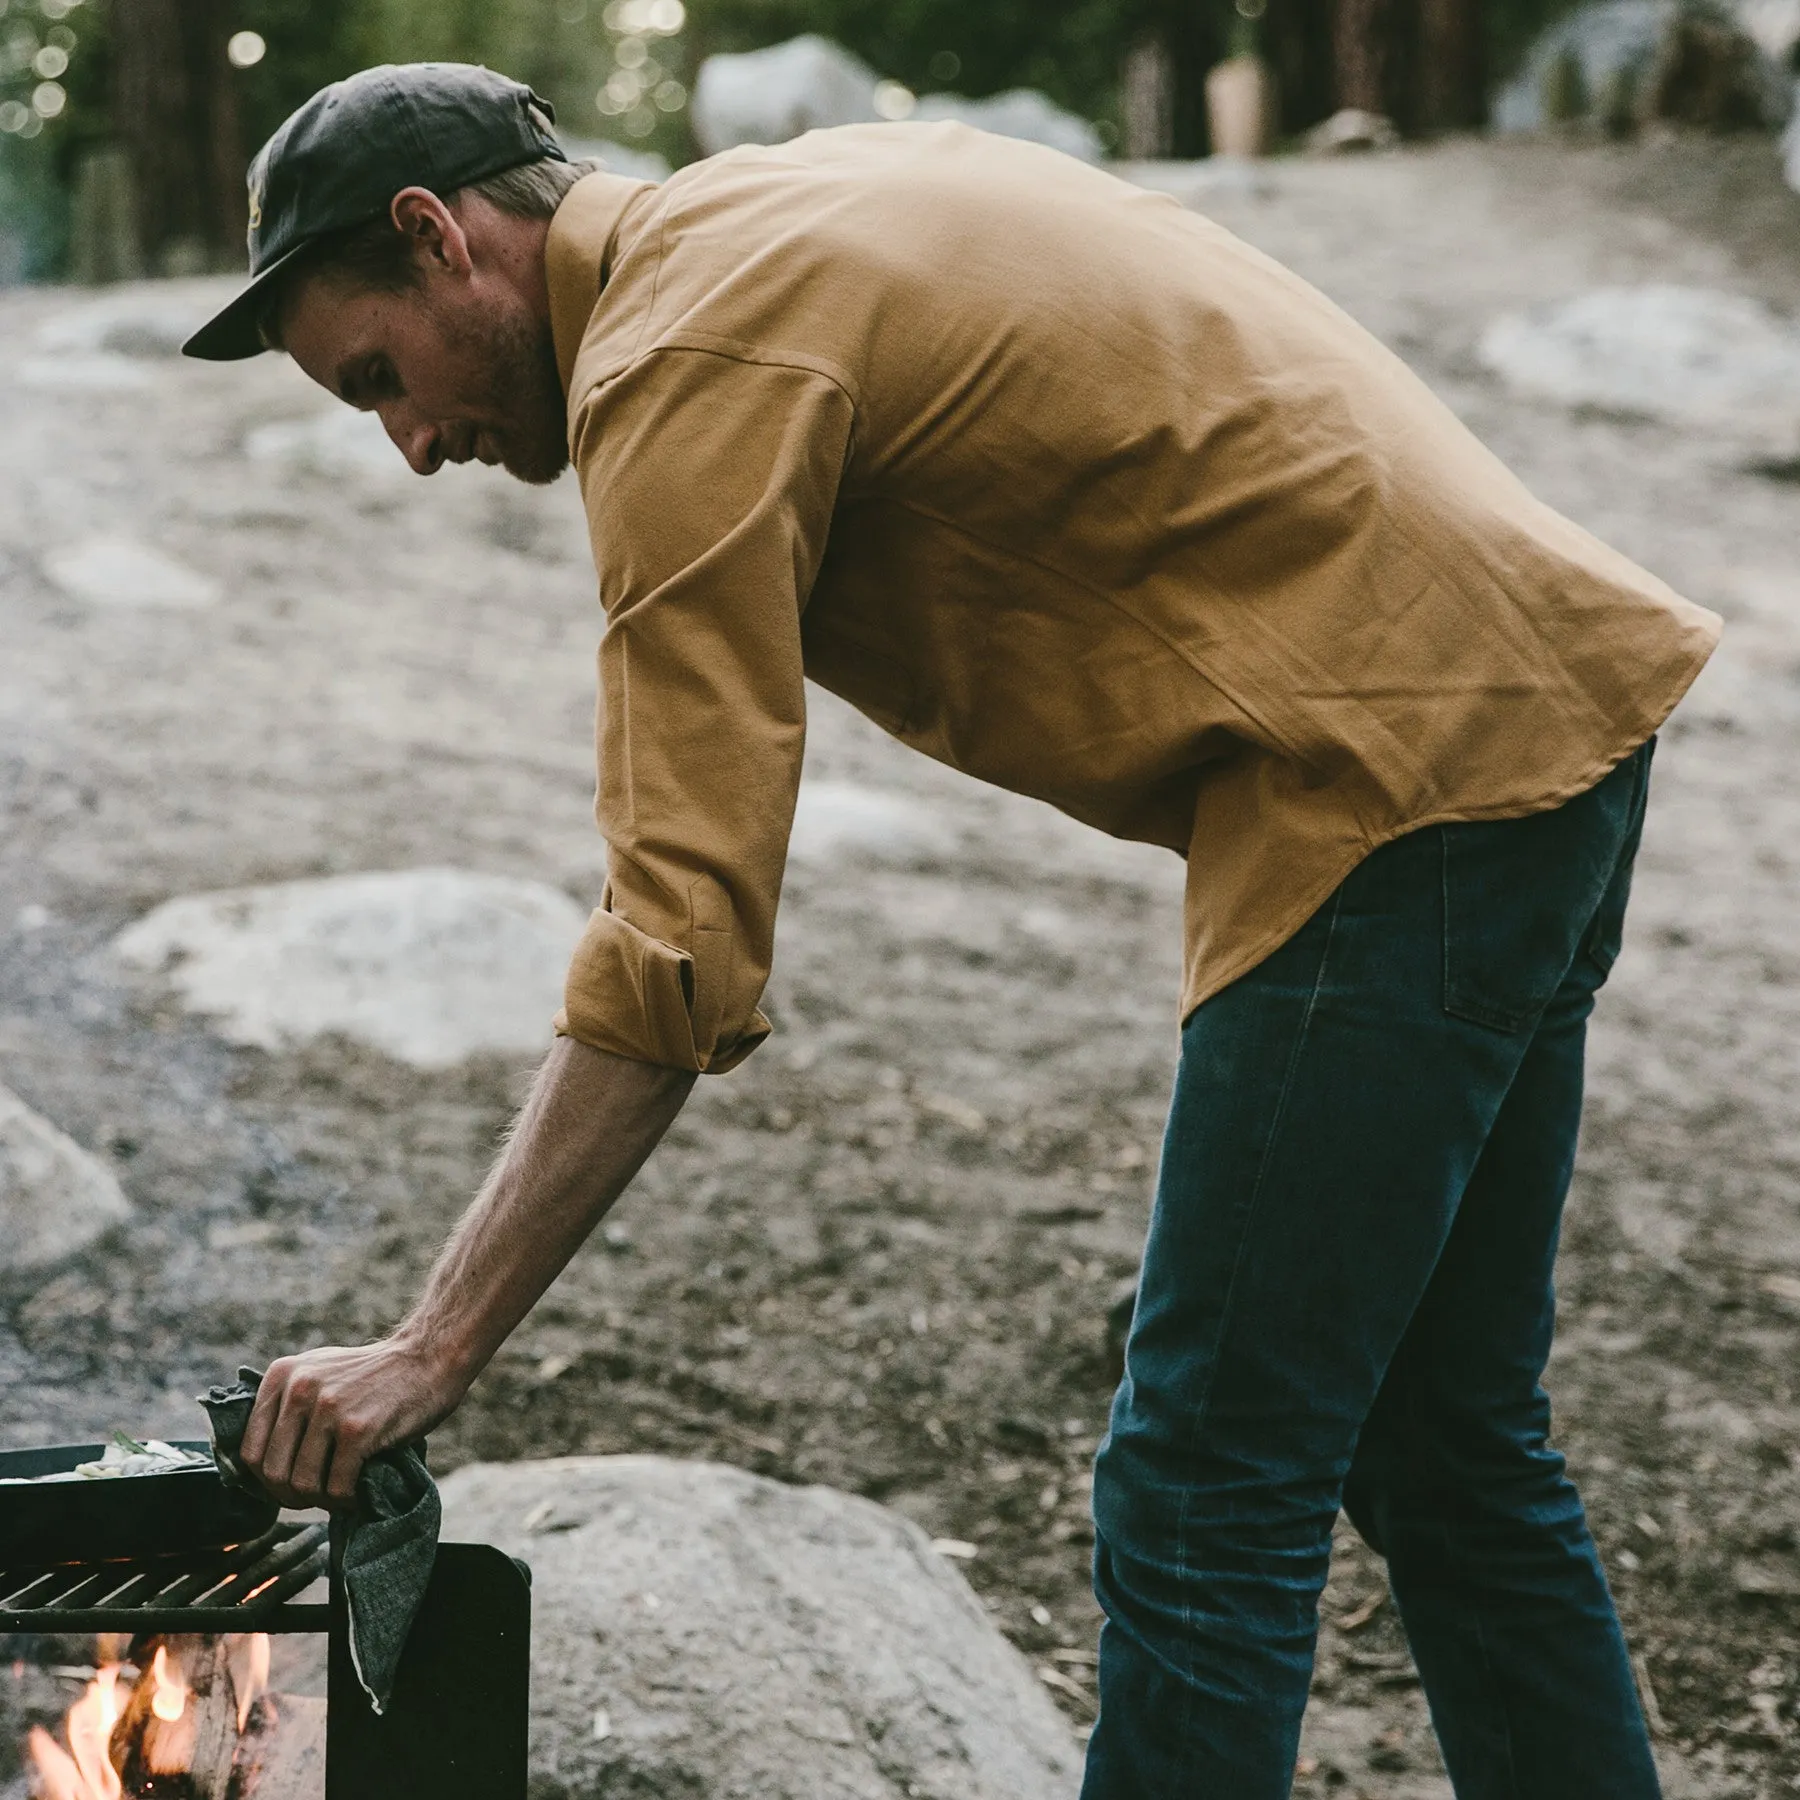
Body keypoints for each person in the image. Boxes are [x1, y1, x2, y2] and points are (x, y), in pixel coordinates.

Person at [183, 62, 1719, 1799]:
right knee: (1450, 1446)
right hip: (1534, 718)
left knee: (1209, 1479)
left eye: (379, 377)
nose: (408, 444)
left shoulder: (679, 357)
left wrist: (431, 1344)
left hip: (1389, 778)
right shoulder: (774, 211)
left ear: (437, 236)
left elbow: (678, 941)